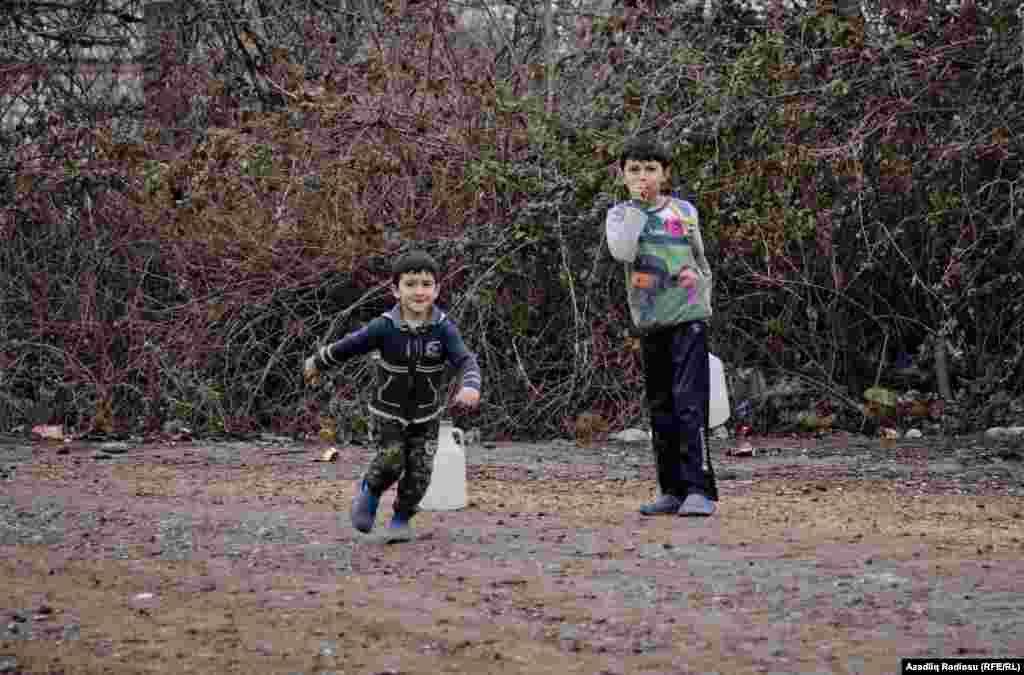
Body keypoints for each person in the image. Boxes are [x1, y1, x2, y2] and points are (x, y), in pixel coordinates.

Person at [303, 250, 482, 542]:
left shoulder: (443, 329)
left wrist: (470, 386)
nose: (419, 291)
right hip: (387, 412)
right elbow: (350, 345)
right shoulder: (383, 327)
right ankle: (370, 491)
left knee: (420, 474)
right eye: (410, 284)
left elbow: (466, 360)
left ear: (437, 290)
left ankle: (401, 518)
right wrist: (318, 361)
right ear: (395, 289)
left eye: (426, 284)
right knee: (391, 460)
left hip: (427, 415)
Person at [605, 136, 718, 517]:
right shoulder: (621, 215)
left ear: (665, 173)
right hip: (651, 323)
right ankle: (671, 489)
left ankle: (699, 488)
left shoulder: (684, 210)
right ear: (622, 175)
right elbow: (622, 251)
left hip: (688, 320)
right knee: (661, 407)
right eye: (634, 170)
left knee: (690, 403)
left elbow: (700, 257)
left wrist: (703, 299)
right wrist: (637, 206)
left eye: (650, 169)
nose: (643, 176)